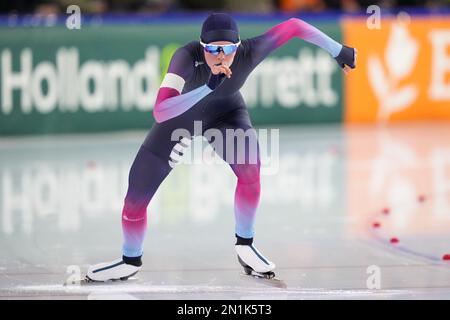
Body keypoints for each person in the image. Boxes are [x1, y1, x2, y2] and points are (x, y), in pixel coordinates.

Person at [86, 13, 356, 282]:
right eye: (212, 49)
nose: (220, 56)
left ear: (238, 47)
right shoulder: (185, 57)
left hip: (225, 117)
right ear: (201, 47)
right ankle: (130, 260)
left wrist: (338, 50)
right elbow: (160, 111)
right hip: (177, 120)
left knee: (251, 167)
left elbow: (294, 26)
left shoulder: (249, 53)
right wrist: (207, 86)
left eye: (227, 49)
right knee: (134, 202)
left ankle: (245, 244)